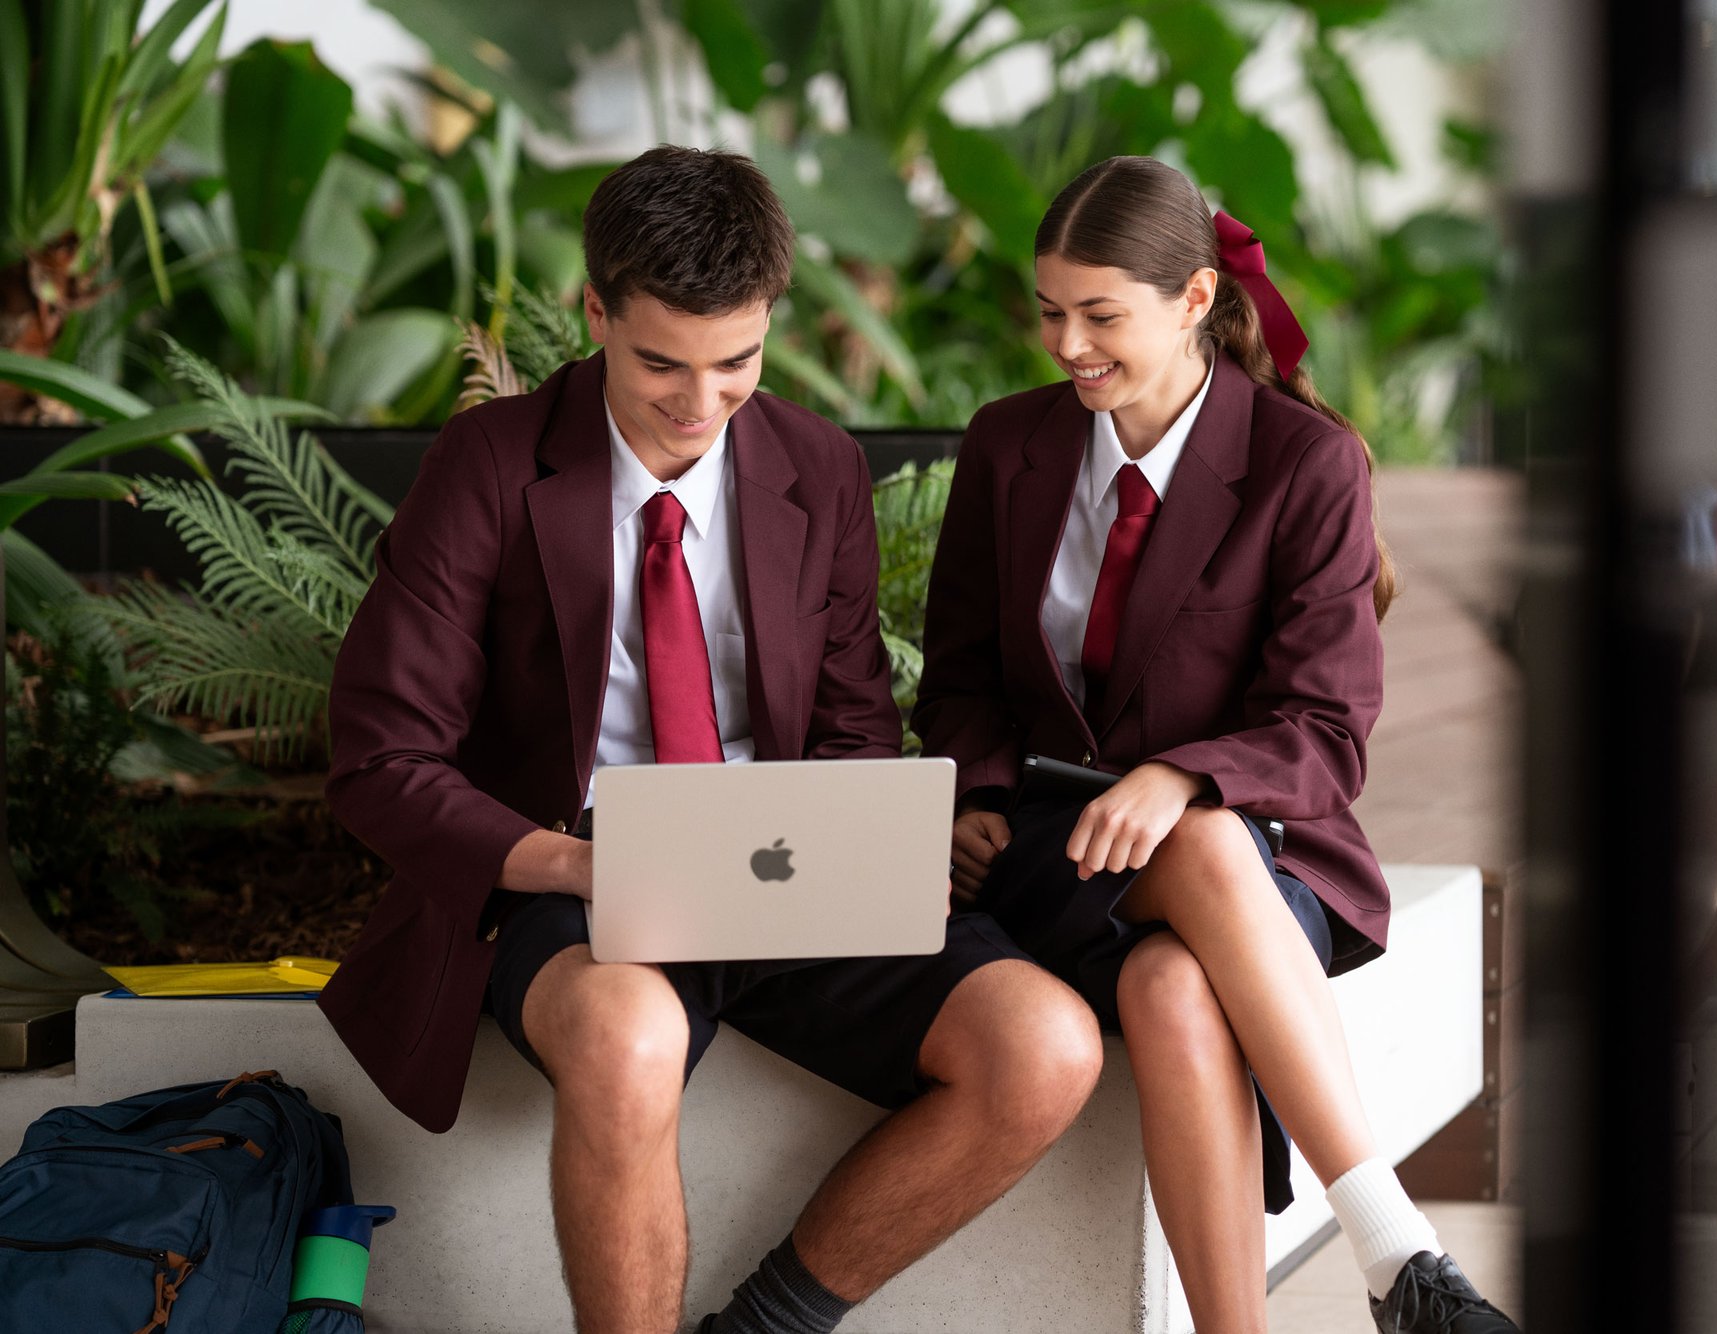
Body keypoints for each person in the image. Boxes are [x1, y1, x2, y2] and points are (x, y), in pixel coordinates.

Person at [317, 146, 1103, 1334]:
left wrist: (868, 834)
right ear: (593, 312)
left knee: (1042, 1046)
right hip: (567, 873)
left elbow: (849, 727)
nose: (698, 403)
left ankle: (765, 1326)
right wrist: (574, 861)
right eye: (658, 364)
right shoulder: (486, 467)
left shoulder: (818, 466)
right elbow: (379, 760)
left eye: (735, 362)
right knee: (629, 1042)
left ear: (770, 318)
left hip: (780, 862)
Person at [915, 155, 1520, 1334]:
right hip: (1056, 851)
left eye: (1100, 316)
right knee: (1181, 876)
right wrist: (974, 789)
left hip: (1266, 858)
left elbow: (1326, 728)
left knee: (1174, 974)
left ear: (1194, 300)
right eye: (1049, 310)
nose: (1066, 345)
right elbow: (959, 679)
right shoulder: (1007, 448)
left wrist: (1185, 773)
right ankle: (1397, 1252)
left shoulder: (1304, 462)